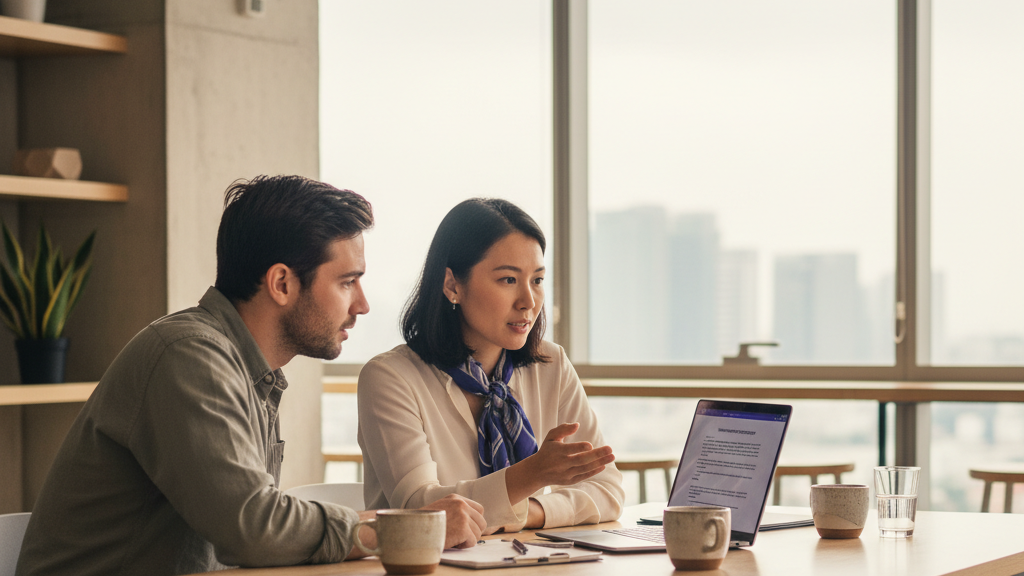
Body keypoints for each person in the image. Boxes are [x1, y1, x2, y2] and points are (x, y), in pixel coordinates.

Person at [16, 176, 486, 576]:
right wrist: (397, 529)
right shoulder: (189, 357)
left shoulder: (249, 371)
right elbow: (253, 528)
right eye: (347, 282)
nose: (361, 304)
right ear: (282, 283)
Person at [357, 198, 624, 532]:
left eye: (537, 281)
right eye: (509, 280)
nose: (528, 302)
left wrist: (527, 512)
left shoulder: (551, 365)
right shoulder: (390, 378)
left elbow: (608, 490)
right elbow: (420, 510)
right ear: (453, 285)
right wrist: (533, 476)